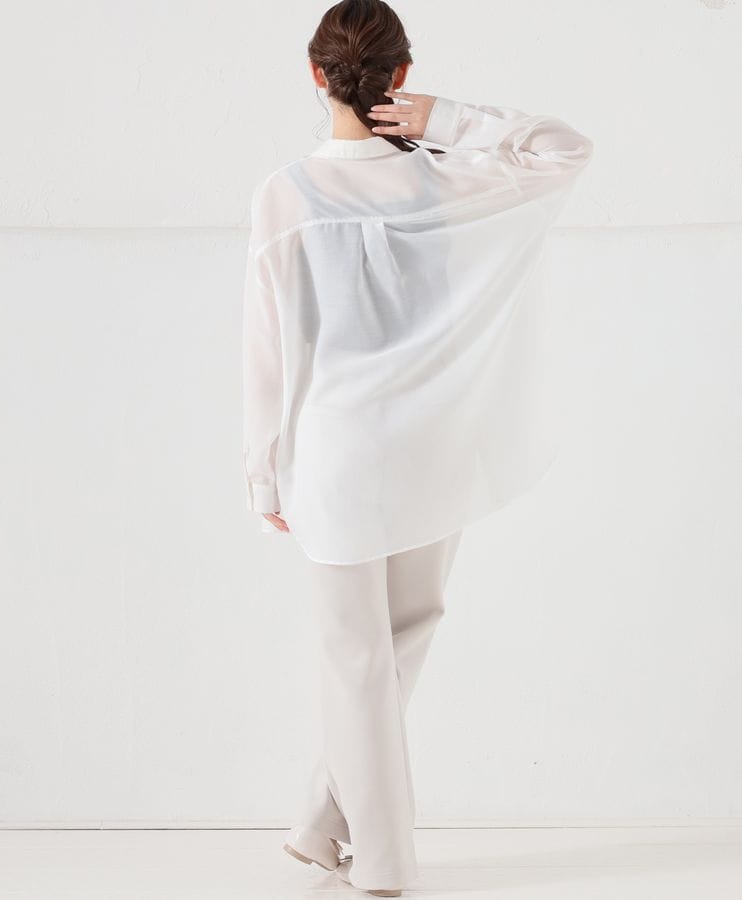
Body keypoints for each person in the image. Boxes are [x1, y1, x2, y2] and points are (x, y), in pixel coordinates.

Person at [242, 1, 594, 895]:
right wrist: (452, 120)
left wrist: (262, 471)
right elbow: (563, 148)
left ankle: (382, 861)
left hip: (335, 451)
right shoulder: (448, 180)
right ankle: (323, 822)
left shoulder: (286, 192)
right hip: (432, 448)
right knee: (406, 630)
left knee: (355, 654)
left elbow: (267, 351)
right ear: (400, 75)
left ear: (315, 75)